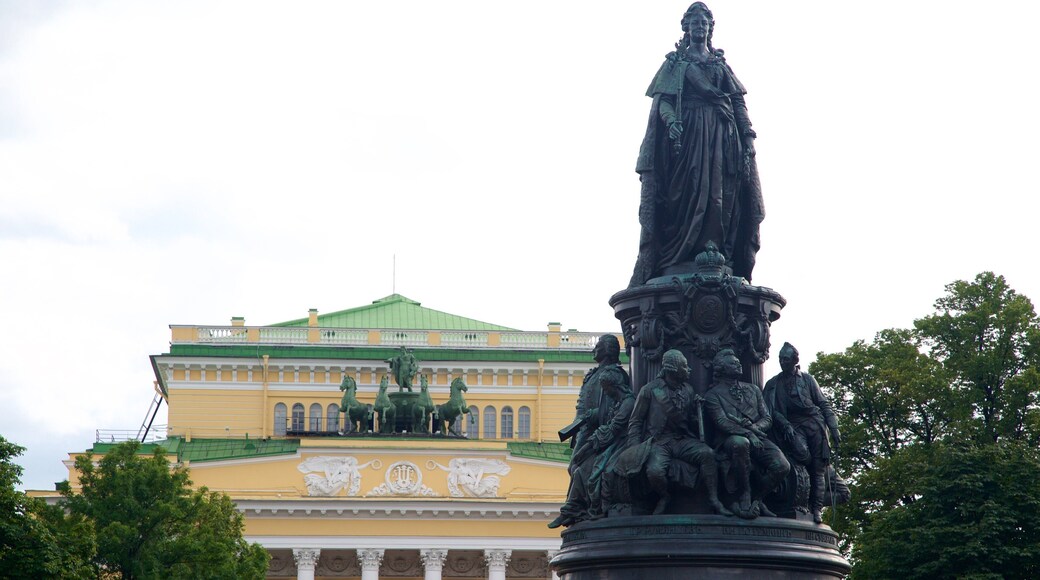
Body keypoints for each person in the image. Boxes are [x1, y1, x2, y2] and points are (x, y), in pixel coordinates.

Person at [629, 2, 764, 287]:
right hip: (688, 135)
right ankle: (678, 254)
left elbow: (737, 102)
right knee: (686, 190)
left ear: (710, 28)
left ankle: (716, 251)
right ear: (686, 28)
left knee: (720, 194)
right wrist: (671, 122)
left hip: (721, 136)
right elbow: (664, 101)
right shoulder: (675, 64)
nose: (699, 27)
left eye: (704, 23)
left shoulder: (719, 65)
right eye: (695, 23)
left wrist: (748, 136)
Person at [621, 349, 729, 516]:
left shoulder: (688, 390)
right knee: (655, 471)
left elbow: (691, 421)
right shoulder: (649, 390)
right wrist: (635, 449)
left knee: (708, 454)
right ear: (672, 369)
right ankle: (664, 496)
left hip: (682, 440)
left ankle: (714, 499)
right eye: (684, 367)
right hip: (658, 442)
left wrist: (698, 412)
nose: (689, 370)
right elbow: (635, 421)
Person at [704, 348, 790, 518]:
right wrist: (748, 434)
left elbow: (767, 417)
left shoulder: (753, 389)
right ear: (722, 368)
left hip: (758, 436)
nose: (738, 364)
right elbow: (722, 422)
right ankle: (744, 493)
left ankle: (757, 498)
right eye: (733, 363)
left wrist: (755, 428)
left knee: (782, 466)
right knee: (740, 443)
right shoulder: (713, 395)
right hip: (729, 439)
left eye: (738, 362)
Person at [763, 343, 841, 523]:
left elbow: (823, 404)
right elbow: (770, 411)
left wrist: (834, 428)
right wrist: (785, 424)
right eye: (780, 359)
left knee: (818, 469)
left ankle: (817, 509)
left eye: (786, 359)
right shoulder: (774, 383)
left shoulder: (807, 380)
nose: (782, 362)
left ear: (795, 360)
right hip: (793, 426)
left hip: (815, 425)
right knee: (802, 455)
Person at [549, 369, 635, 528]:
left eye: (606, 388)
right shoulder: (617, 403)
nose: (605, 392)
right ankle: (571, 510)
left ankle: (599, 509)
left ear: (614, 386)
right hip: (609, 443)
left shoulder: (628, 403)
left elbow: (613, 429)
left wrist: (587, 447)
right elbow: (607, 428)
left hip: (622, 443)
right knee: (581, 469)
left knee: (602, 471)